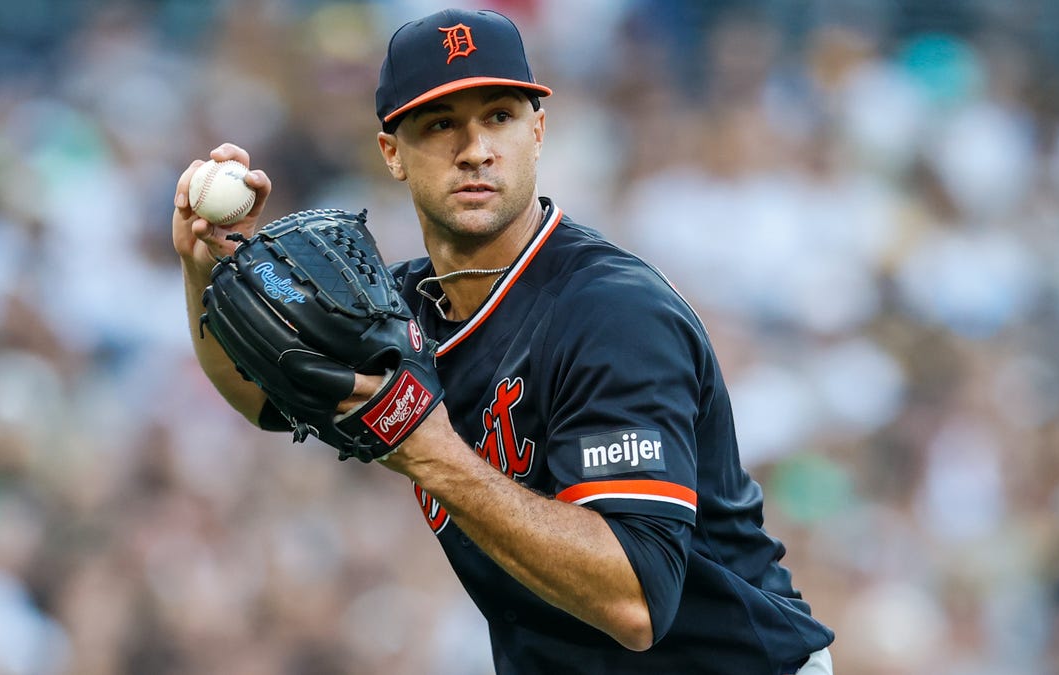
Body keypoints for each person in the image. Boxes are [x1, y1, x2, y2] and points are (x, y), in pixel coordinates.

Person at [171, 8, 835, 674]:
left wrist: (429, 452)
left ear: (537, 132)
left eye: (498, 116)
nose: (476, 149)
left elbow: (636, 600)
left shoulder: (613, 314)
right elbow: (262, 396)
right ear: (392, 153)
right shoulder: (395, 310)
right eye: (440, 124)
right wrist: (205, 266)